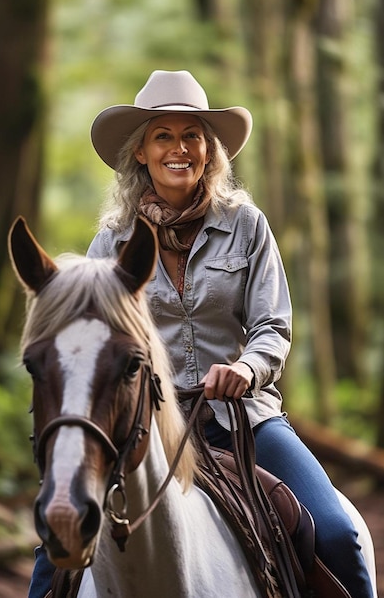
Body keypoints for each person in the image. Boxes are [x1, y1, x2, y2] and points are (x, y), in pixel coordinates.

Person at [28, 69, 373, 598]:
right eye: (163, 136)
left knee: (338, 531)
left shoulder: (247, 225)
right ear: (140, 152)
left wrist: (245, 369)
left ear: (209, 151)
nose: (179, 148)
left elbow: (272, 325)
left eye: (192, 135)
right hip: (145, 429)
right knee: (53, 557)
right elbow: (90, 343)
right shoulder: (111, 242)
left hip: (244, 422)